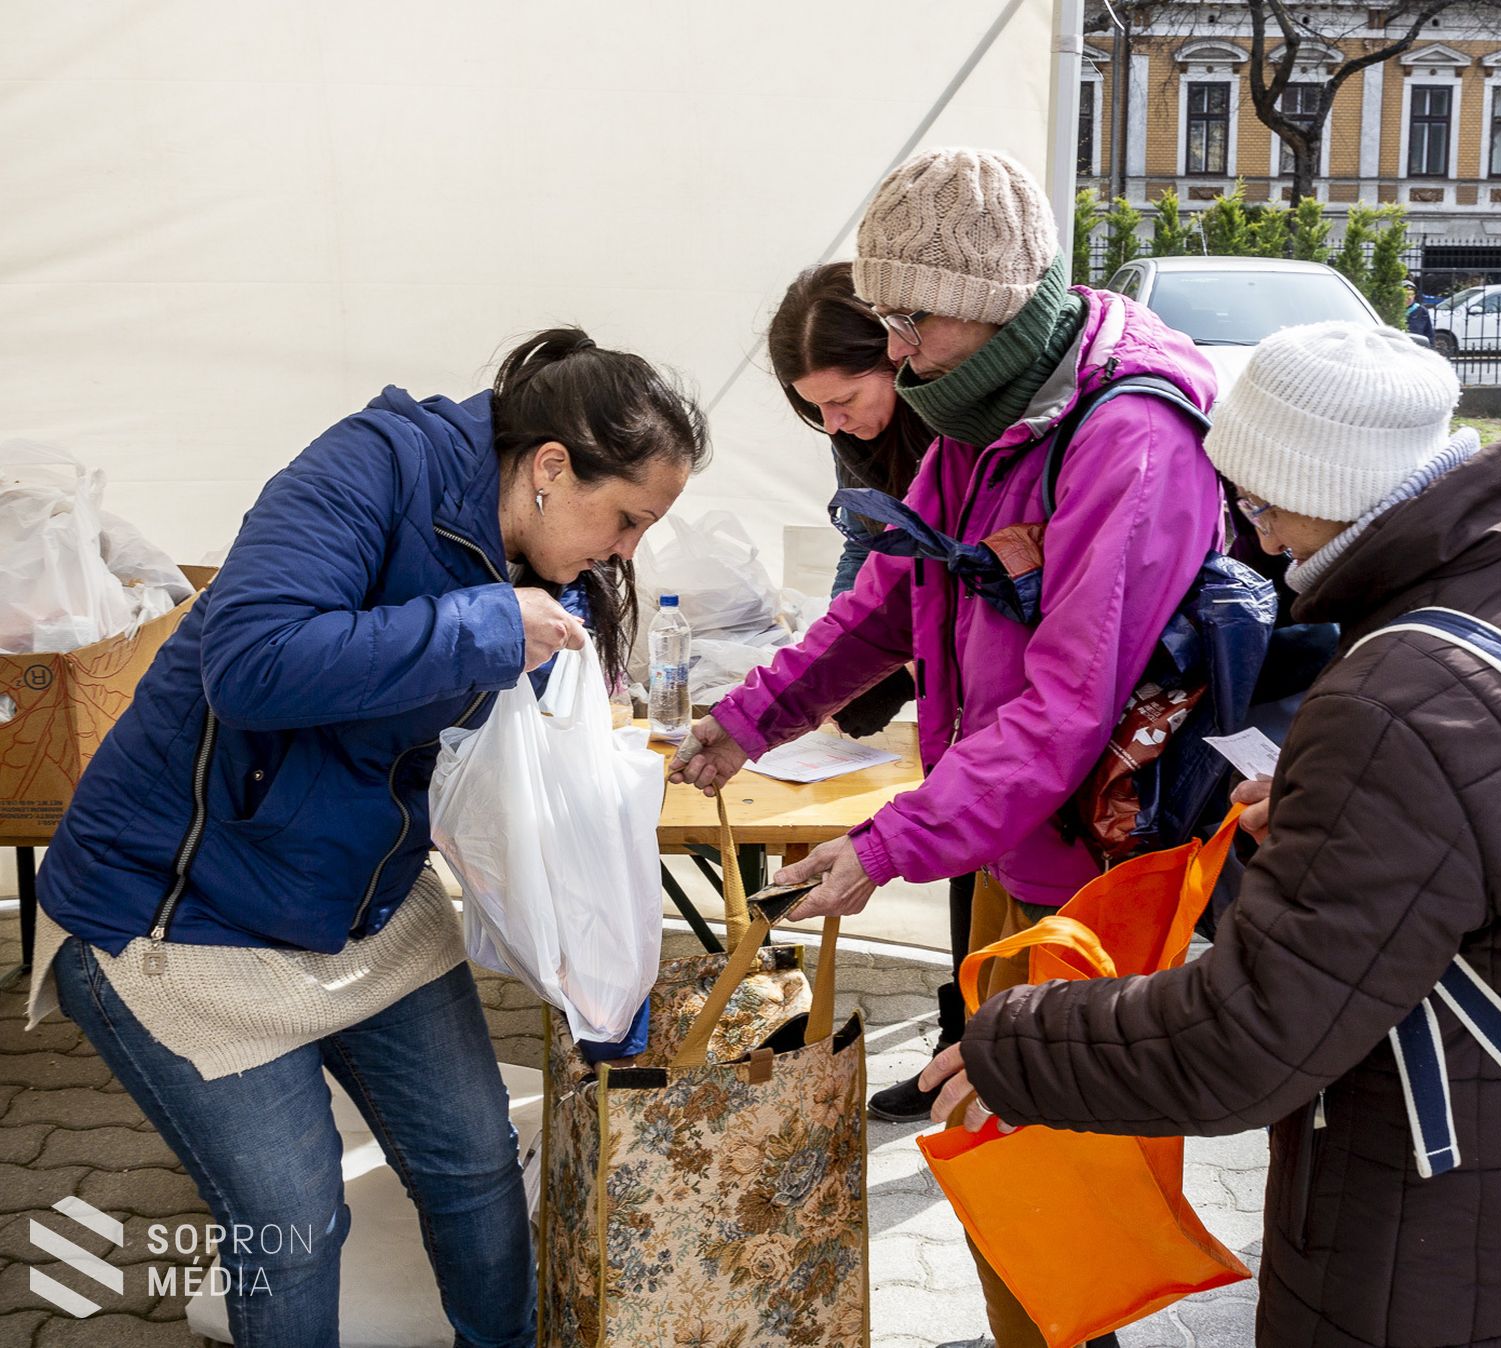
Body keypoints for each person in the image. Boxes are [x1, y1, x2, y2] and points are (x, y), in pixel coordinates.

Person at [921, 320, 1501, 1348]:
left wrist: (1017, 1039)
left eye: (1262, 500)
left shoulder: (1395, 698)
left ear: (1337, 479)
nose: (1256, 536)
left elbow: (1251, 1035)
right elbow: (1493, 842)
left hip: (1423, 1234)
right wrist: (1328, 813)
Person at [29, 329, 709, 1348]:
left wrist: (592, 942)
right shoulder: (373, 466)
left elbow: (488, 768)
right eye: (626, 520)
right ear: (552, 467)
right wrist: (486, 627)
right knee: (296, 1227)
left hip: (363, 902)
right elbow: (252, 661)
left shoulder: (538, 557)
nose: (625, 551)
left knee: (479, 1166)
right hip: (180, 916)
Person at [674, 147, 1222, 1348]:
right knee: (999, 1163)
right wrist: (748, 716)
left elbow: (1073, 704)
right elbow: (891, 596)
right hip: (1012, 844)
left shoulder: (1126, 437)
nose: (896, 357)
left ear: (985, 305)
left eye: (904, 325)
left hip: (1098, 874)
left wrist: (892, 841)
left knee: (1048, 1184)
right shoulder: (983, 413)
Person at [766, 260, 975, 1122]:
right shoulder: (856, 430)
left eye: (844, 396)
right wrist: (822, 670)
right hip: (934, 669)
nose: (831, 420)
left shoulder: (964, 427)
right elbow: (867, 551)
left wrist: (856, 659)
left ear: (899, 355)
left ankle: (974, 1053)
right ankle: (955, 1040)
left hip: (984, 668)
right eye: (813, 406)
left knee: (979, 843)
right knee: (965, 855)